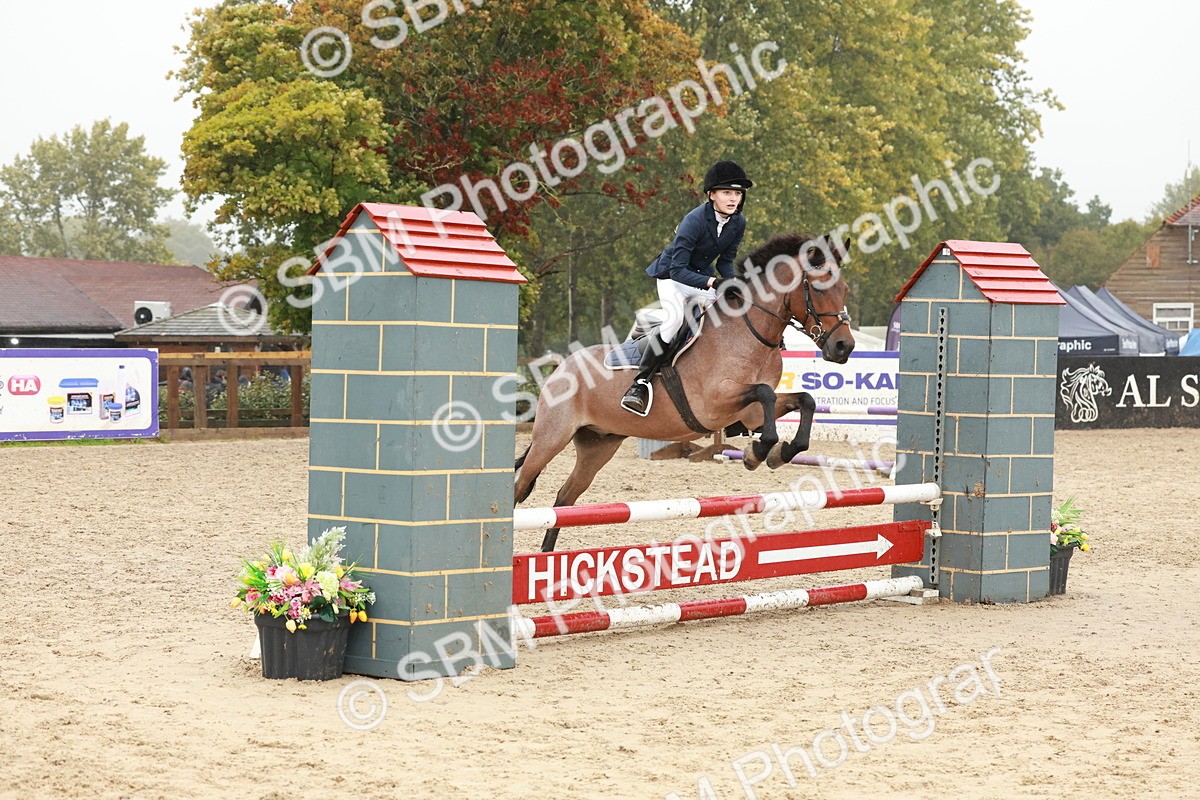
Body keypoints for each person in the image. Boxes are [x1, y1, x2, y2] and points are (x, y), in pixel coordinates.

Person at [620, 160, 752, 415]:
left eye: (737, 193)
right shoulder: (694, 220)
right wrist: (714, 282)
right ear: (711, 195)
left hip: (701, 278)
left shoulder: (738, 222)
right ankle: (640, 383)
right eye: (727, 192)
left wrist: (734, 283)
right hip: (672, 278)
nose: (733, 199)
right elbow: (678, 269)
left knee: (732, 310)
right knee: (675, 320)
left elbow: (725, 261)